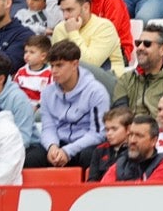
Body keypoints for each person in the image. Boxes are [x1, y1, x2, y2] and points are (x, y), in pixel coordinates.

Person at [33, 39, 109, 171]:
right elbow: (48, 128)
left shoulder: (96, 91)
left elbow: (98, 133)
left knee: (90, 155)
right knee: (32, 157)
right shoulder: (47, 93)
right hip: (59, 143)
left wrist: (68, 151)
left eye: (59, 65)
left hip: (84, 144)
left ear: (75, 64)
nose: (54, 71)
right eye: (52, 66)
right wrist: (52, 147)